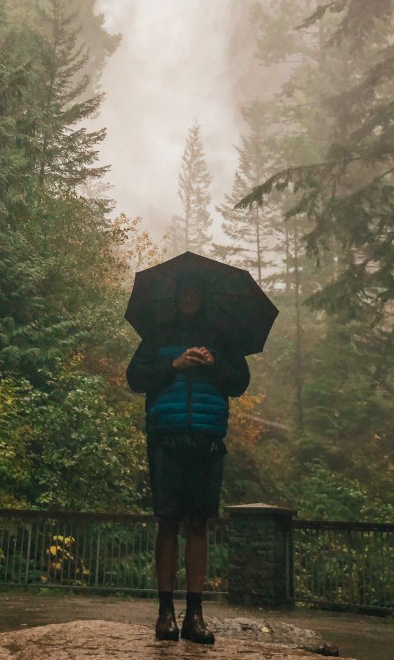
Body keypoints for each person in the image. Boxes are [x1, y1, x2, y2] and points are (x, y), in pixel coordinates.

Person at [126, 273, 250, 645]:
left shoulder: (222, 337)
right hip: (166, 438)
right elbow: (134, 378)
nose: (191, 295)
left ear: (204, 296)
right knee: (167, 523)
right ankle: (165, 614)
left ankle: (195, 615)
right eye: (185, 289)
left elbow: (240, 384)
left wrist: (214, 364)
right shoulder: (158, 336)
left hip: (208, 441)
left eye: (198, 290)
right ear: (177, 295)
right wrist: (175, 365)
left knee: (198, 525)